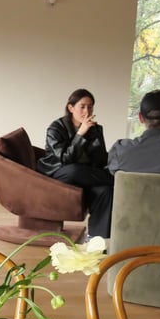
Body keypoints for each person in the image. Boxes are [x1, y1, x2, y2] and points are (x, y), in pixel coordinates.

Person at [38, 88, 114, 239]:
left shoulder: (96, 129)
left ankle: (96, 239)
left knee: (105, 190)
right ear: (71, 108)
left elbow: (100, 159)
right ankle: (115, 179)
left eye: (90, 106)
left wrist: (93, 135)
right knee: (74, 170)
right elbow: (65, 159)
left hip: (87, 175)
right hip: (58, 173)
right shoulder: (56, 128)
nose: (87, 111)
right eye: (82, 106)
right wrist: (80, 134)